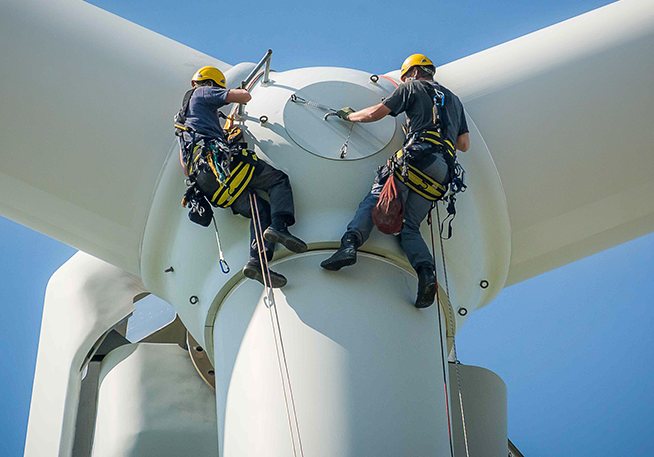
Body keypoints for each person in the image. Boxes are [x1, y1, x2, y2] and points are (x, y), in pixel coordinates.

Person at [320, 54, 470, 308]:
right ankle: (426, 273)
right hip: (442, 172)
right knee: (409, 227)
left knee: (376, 199)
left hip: (416, 157)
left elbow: (377, 114)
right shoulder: (454, 101)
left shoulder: (411, 87)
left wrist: (349, 117)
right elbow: (464, 145)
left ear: (411, 73)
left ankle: (350, 245)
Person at [175, 66, 307, 288]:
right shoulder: (203, 92)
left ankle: (257, 262)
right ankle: (280, 227)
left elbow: (184, 168)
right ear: (212, 83)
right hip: (220, 165)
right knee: (277, 180)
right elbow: (244, 96)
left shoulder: (181, 121)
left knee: (259, 208)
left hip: (207, 182)